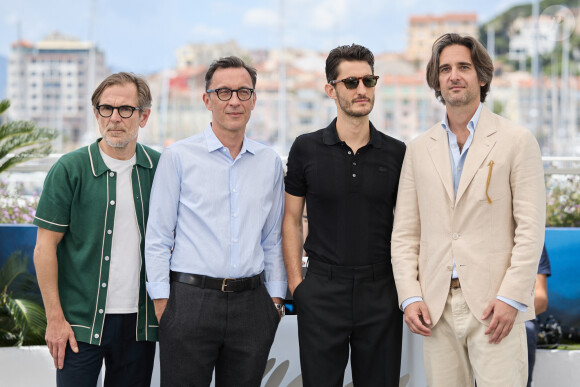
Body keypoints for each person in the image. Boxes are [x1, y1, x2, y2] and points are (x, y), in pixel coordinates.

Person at [391, 33, 546, 386]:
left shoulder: (516, 141)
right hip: (436, 308)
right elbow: (404, 233)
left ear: (482, 76)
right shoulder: (418, 149)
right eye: (445, 69)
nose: (453, 75)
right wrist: (410, 296)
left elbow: (531, 228)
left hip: (496, 308)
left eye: (463, 66)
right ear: (436, 80)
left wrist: (511, 298)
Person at [145, 56, 286, 387]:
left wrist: (275, 300)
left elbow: (272, 239)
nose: (234, 101)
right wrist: (163, 302)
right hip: (189, 302)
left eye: (242, 92)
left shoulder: (269, 162)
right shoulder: (178, 156)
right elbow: (158, 236)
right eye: (223, 92)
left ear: (254, 100)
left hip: (252, 305)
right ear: (207, 100)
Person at [283, 44, 405, 387]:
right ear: (331, 89)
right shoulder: (305, 148)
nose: (362, 89)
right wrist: (297, 287)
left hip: (381, 290)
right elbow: (292, 219)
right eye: (351, 82)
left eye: (369, 80)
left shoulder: (397, 152)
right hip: (322, 289)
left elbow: (410, 226)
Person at [33, 72, 159, 386]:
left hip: (139, 324)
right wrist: (55, 320)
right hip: (79, 324)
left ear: (143, 117)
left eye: (125, 109)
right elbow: (44, 247)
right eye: (106, 109)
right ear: (96, 113)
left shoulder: (161, 168)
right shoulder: (69, 169)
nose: (114, 118)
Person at [527, 245, 551, 386]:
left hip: (519, 315)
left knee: (525, 330)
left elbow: (540, 300)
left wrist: (508, 314)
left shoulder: (531, 237)